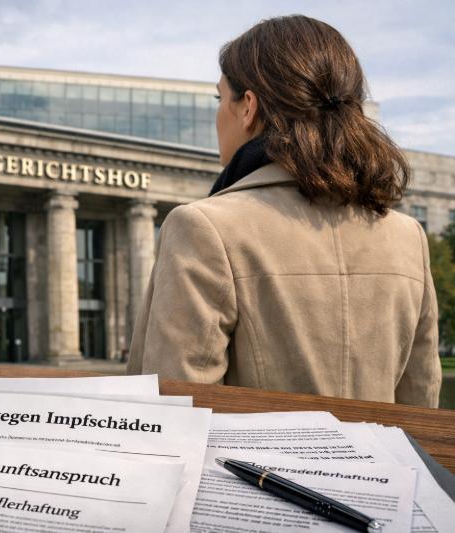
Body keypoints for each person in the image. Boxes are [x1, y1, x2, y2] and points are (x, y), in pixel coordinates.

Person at [127, 15, 441, 407]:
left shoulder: (203, 227)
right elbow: (420, 404)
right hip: (383, 451)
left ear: (248, 107)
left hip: (249, 452)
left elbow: (177, 407)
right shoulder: (408, 236)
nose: (218, 115)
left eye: (220, 99)